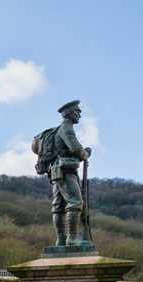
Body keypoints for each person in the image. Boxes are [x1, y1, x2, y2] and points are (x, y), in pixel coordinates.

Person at [50, 100, 92, 246]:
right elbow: (75, 149)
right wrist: (85, 153)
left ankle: (60, 239)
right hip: (66, 171)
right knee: (75, 202)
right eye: (77, 111)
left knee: (59, 206)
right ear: (69, 113)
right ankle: (72, 237)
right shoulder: (66, 129)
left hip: (57, 171)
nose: (79, 114)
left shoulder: (60, 129)